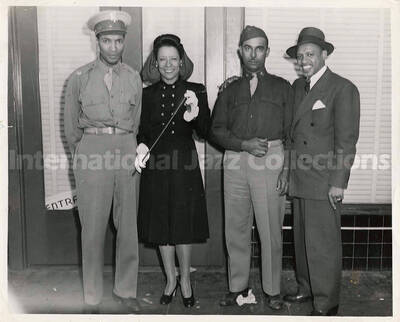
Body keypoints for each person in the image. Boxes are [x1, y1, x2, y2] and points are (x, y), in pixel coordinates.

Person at [210, 25, 293, 310]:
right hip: (235, 160)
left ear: (267, 51)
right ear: (240, 52)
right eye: (248, 48)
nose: (253, 54)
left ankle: (272, 290)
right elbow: (216, 130)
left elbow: (292, 134)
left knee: (270, 229)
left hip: (271, 160)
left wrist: (286, 171)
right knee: (236, 227)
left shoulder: (283, 88)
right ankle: (237, 287)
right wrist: (243, 144)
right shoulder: (230, 89)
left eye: (259, 48)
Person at [64, 10, 142, 313]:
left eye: (118, 41)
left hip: (125, 146)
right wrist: (84, 156)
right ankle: (92, 297)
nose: (113, 47)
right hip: (91, 149)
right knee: (92, 227)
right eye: (107, 40)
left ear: (124, 42)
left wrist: (127, 146)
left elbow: (135, 123)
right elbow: (72, 128)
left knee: (128, 225)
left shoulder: (134, 77)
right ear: (97, 42)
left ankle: (126, 290)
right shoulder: (79, 78)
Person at [284, 27, 360, 316]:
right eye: (300, 55)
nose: (304, 60)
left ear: (324, 55)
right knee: (302, 241)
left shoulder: (342, 88)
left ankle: (327, 303)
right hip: (300, 177)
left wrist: (338, 183)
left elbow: (346, 142)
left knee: (322, 246)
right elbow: (292, 134)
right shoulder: (296, 87)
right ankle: (306, 288)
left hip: (322, 180)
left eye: (311, 54)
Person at [135, 34, 210, 308]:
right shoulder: (146, 94)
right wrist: (141, 145)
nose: (168, 65)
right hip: (156, 165)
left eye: (173, 59)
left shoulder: (196, 89)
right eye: (162, 60)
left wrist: (195, 114)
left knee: (182, 224)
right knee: (161, 225)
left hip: (184, 165)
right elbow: (142, 130)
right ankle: (170, 279)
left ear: (182, 62)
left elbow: (205, 131)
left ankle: (186, 281)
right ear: (155, 63)